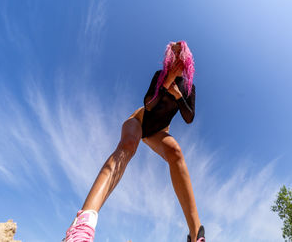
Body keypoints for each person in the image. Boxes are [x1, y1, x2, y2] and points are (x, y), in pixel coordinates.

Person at [63, 41, 205, 242]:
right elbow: (148, 105)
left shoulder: (189, 88)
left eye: (180, 53)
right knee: (129, 143)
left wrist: (178, 96)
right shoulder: (160, 76)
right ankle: (82, 225)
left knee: (176, 152)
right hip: (139, 120)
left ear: (187, 57)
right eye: (172, 54)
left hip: (158, 131)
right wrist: (167, 81)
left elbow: (189, 117)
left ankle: (196, 233)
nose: (176, 57)